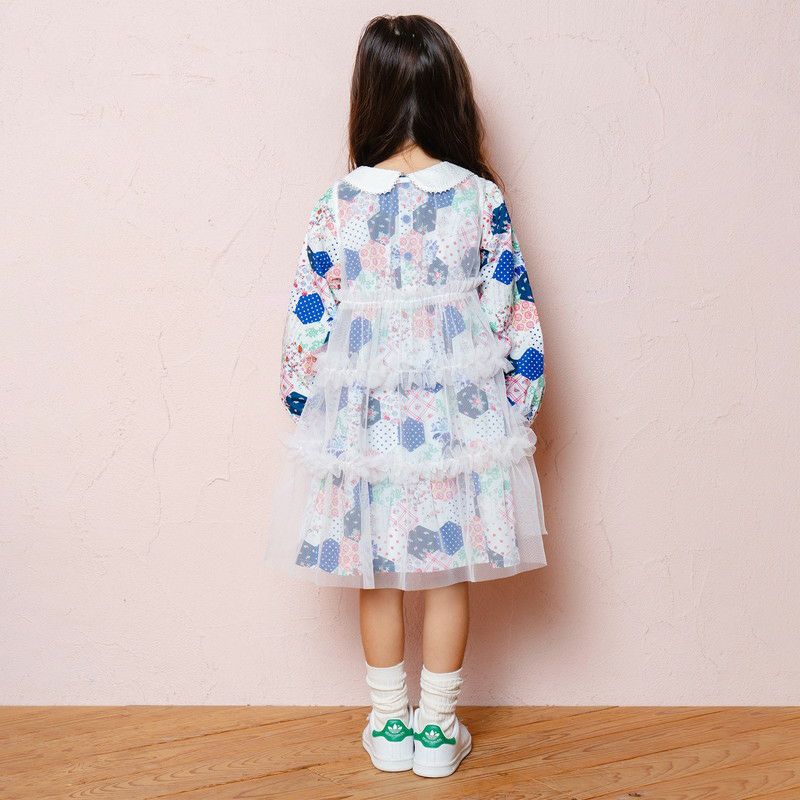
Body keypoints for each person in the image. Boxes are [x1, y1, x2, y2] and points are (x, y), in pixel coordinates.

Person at [266, 13, 547, 778]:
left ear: (370, 96)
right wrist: (516, 413)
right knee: (448, 572)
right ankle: (438, 730)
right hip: (460, 426)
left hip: (365, 428)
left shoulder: (339, 203)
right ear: (452, 93)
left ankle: (389, 725)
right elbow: (514, 316)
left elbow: (308, 318)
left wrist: (305, 406)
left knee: (377, 570)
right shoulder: (479, 200)